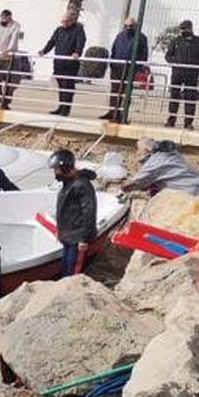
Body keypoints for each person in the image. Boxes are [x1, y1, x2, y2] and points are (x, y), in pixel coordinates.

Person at [52, 149, 97, 277]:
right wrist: (60, 230)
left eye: (56, 169)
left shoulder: (81, 184)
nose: (55, 173)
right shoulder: (69, 183)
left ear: (65, 168)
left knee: (72, 270)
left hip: (77, 238)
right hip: (68, 235)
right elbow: (66, 210)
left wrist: (84, 239)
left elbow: (89, 212)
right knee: (65, 266)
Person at [122, 138, 199, 196]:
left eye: (138, 149)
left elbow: (133, 184)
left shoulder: (155, 162)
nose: (137, 153)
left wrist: (120, 186)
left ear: (147, 150)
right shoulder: (170, 154)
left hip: (190, 194)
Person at [39, 10, 87, 116]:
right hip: (59, 62)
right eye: (62, 22)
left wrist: (77, 53)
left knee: (68, 85)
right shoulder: (59, 30)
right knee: (61, 85)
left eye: (66, 22)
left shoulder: (78, 30)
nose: (63, 24)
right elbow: (51, 42)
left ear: (71, 21)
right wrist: (44, 51)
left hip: (70, 64)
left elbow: (81, 43)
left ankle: (66, 109)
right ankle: (60, 107)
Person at [164, 19, 199, 130]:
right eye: (181, 29)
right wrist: (176, 62)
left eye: (185, 29)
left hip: (191, 74)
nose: (183, 31)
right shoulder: (176, 41)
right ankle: (171, 119)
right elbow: (168, 56)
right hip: (177, 73)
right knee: (174, 96)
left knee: (190, 98)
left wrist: (194, 64)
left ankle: (188, 122)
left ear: (190, 28)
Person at [100, 17, 148, 123]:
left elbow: (144, 55)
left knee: (126, 92)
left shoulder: (141, 37)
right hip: (117, 67)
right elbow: (114, 49)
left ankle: (122, 114)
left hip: (130, 69)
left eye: (130, 26)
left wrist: (137, 68)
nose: (128, 28)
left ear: (135, 26)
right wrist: (112, 63)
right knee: (114, 91)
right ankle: (112, 112)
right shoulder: (120, 36)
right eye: (126, 26)